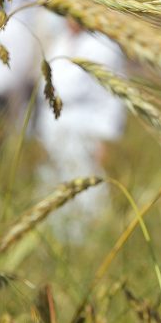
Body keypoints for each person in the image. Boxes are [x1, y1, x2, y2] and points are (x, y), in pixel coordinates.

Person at [34, 16, 126, 240]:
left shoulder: (104, 45)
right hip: (53, 122)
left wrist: (105, 137)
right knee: (53, 180)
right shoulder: (61, 39)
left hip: (85, 124)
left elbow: (113, 95)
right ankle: (55, 236)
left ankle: (84, 239)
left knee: (85, 183)